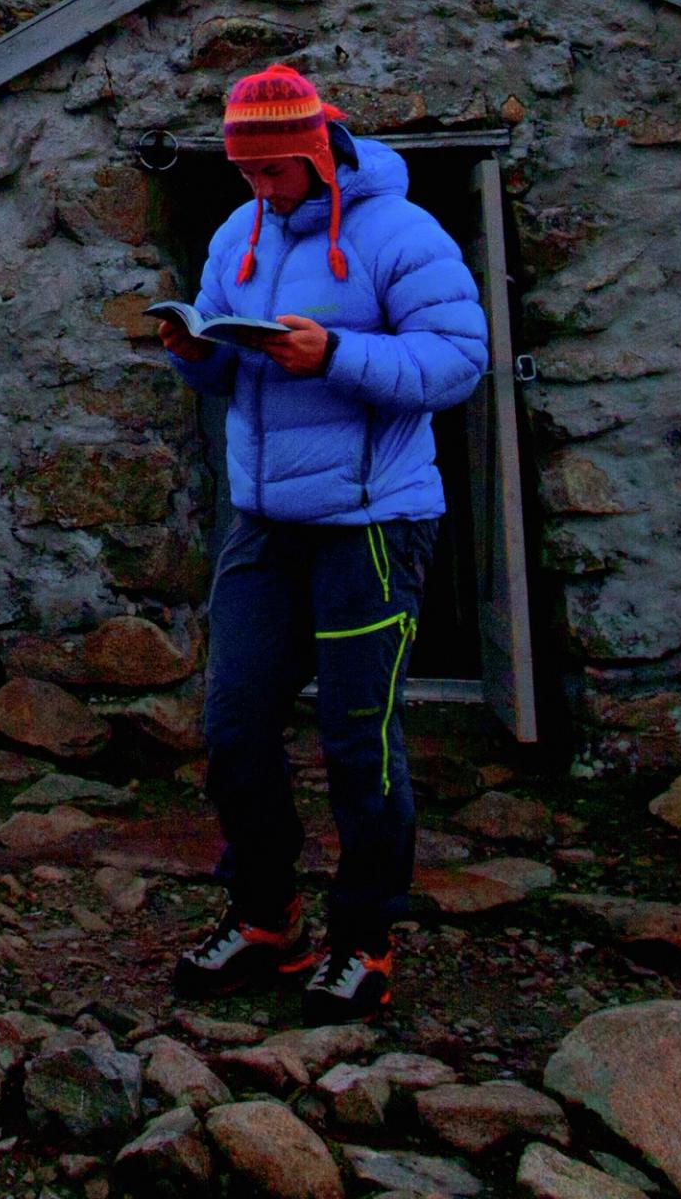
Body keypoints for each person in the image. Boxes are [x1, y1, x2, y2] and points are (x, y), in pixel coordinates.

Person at [150, 64, 490, 1018]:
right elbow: (233, 376)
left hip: (373, 526)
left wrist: (334, 353)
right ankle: (267, 921)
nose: (259, 191)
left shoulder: (400, 233)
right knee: (232, 729)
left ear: (314, 153)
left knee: (357, 741)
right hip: (265, 521)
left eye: (274, 173)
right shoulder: (236, 233)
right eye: (245, 174)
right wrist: (200, 355)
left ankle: (366, 940)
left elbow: (461, 360)